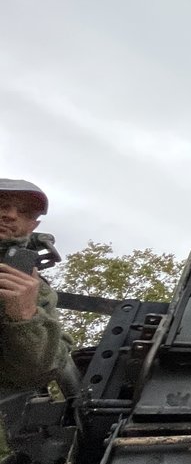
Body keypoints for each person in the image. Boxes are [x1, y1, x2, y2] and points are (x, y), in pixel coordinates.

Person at [0, 179, 73, 460]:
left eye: (24, 212)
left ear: (34, 226)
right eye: (2, 206)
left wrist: (24, 316)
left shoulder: (31, 286)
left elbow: (40, 370)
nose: (10, 215)